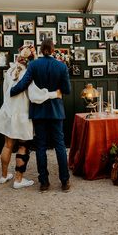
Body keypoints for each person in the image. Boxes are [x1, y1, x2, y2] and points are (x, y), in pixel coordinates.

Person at [0, 45, 61, 189]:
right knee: (23, 146)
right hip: (22, 115)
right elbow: (35, 96)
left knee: (7, 145)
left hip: (7, 112)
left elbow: (6, 91)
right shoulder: (29, 74)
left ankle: (4, 175)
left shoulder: (10, 71)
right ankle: (18, 180)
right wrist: (54, 94)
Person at [10, 39, 71, 192]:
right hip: (56, 111)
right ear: (53, 49)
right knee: (60, 146)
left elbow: (23, 84)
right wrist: (56, 91)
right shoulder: (61, 66)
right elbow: (67, 89)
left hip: (38, 111)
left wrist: (10, 92)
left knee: (41, 147)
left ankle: (44, 183)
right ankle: (65, 182)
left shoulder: (34, 65)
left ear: (41, 49)